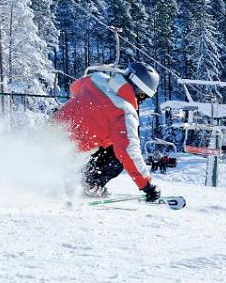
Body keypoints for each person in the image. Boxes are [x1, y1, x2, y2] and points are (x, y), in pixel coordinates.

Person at [53, 62, 162, 202]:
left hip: (53, 129)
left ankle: (71, 182)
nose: (140, 101)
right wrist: (147, 185)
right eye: (143, 96)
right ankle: (90, 184)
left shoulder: (95, 79)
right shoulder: (123, 111)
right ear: (139, 91)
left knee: (107, 143)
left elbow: (75, 87)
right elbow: (128, 151)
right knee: (117, 155)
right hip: (71, 146)